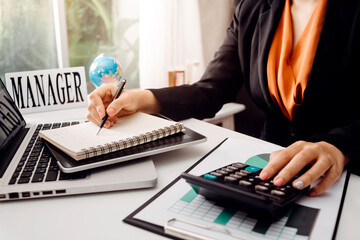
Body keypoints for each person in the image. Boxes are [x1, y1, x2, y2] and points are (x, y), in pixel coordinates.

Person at [87, 0, 360, 197]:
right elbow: (211, 91)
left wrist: (339, 146)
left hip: (343, 179)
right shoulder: (251, 7)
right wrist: (139, 98)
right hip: (266, 173)